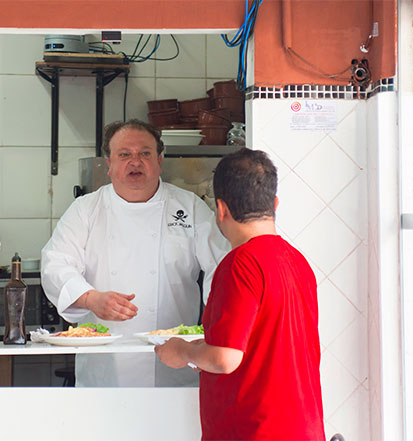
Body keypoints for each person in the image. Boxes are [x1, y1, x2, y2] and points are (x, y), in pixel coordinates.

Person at [41, 119, 230, 387]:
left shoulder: (189, 207)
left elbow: (222, 267)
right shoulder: (86, 210)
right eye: (124, 155)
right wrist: (91, 298)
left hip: (174, 363)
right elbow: (55, 264)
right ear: (109, 165)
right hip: (104, 369)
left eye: (145, 153)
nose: (135, 161)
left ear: (159, 160)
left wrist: (217, 332)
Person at [155, 148, 325, 440]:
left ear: (221, 210)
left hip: (254, 431)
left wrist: (182, 352)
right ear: (274, 204)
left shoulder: (240, 264)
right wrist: (201, 349)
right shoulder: (297, 261)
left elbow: (225, 359)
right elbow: (262, 344)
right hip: (304, 428)